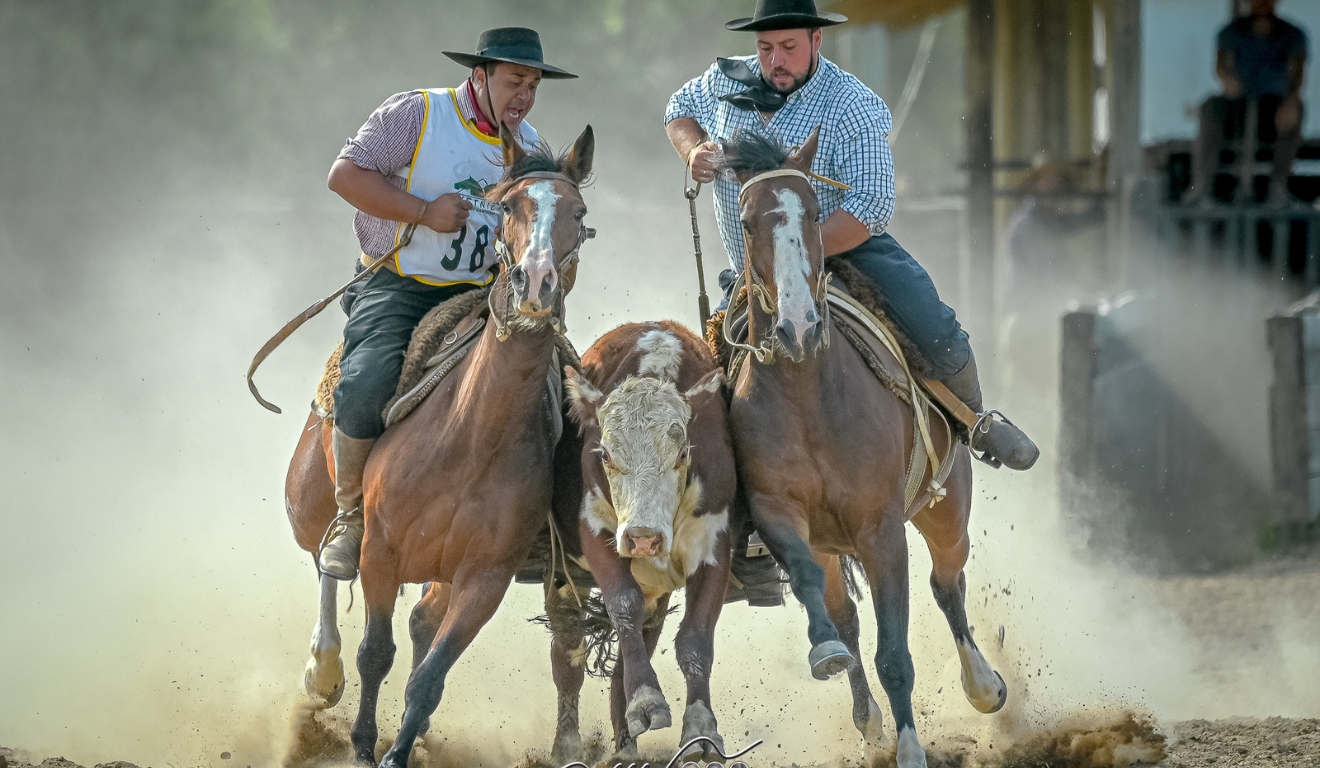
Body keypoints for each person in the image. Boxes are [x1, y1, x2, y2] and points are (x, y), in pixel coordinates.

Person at [664, 0, 1038, 472]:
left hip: (844, 250)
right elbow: (678, 109)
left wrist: (796, 252)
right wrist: (693, 148)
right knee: (707, 377)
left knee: (935, 329)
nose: (775, 60)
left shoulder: (853, 103)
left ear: (816, 41)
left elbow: (872, 204)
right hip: (754, 270)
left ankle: (975, 421)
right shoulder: (722, 81)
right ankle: (721, 499)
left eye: (788, 47)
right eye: (765, 48)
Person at [317, 27, 576, 581]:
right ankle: (350, 516)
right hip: (398, 285)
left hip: (485, 295)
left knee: (564, 385)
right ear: (479, 76)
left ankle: (556, 529)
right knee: (366, 379)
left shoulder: (530, 147)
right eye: (514, 81)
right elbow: (344, 176)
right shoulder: (417, 114)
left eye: (532, 85)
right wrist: (421, 211)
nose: (524, 96)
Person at [1188, 0, 1308, 206]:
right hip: (1238, 104)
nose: (1262, 4)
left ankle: (1278, 187)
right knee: (1210, 107)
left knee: (1296, 111)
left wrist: (1291, 101)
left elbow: (1297, 73)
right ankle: (1202, 187)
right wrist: (1228, 80)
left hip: (1273, 106)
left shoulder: (1292, 34)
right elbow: (1220, 66)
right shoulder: (1230, 32)